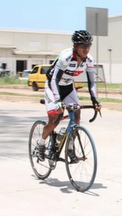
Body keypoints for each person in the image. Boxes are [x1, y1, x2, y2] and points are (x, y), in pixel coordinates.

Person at [37, 30, 101, 163]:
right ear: (75, 46)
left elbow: (91, 82)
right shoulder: (66, 57)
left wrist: (95, 100)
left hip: (68, 87)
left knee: (77, 115)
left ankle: (70, 148)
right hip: (53, 86)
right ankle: (41, 144)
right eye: (83, 46)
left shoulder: (89, 60)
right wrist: (58, 101)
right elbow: (54, 80)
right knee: (55, 118)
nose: (86, 49)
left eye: (89, 45)